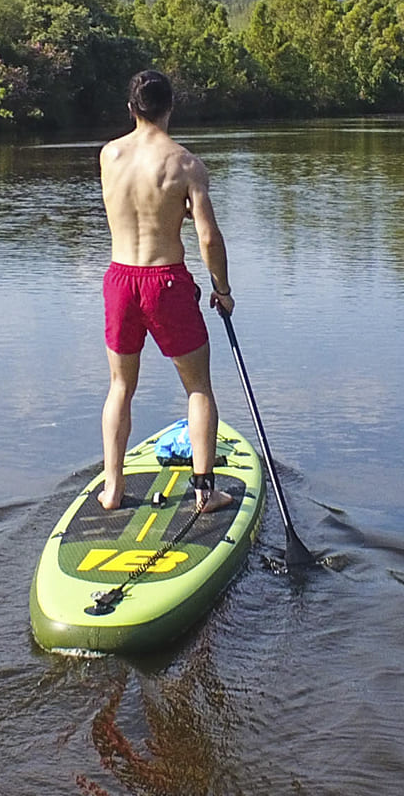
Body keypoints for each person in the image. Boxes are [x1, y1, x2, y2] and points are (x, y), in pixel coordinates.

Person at [99, 70, 235, 513]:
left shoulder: (109, 155)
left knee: (120, 386)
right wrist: (222, 289)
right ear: (170, 108)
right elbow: (209, 238)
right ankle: (203, 491)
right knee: (198, 388)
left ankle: (113, 489)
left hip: (120, 280)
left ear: (131, 109)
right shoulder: (186, 165)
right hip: (166, 282)